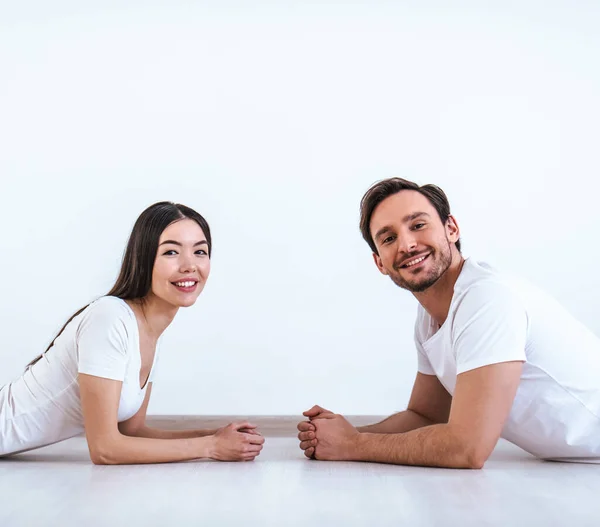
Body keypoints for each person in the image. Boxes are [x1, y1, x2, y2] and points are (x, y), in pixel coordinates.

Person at [297, 177, 600, 468]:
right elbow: (426, 415)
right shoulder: (431, 317)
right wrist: (348, 433)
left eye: (418, 225)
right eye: (389, 238)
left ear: (451, 228)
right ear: (380, 262)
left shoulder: (486, 298)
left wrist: (351, 446)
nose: (407, 245)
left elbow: (467, 448)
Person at [0, 202, 264, 464]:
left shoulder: (149, 331)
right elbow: (105, 448)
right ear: (144, 258)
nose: (189, 265)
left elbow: (131, 432)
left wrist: (214, 436)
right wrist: (211, 447)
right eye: (171, 252)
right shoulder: (110, 318)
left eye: (200, 252)